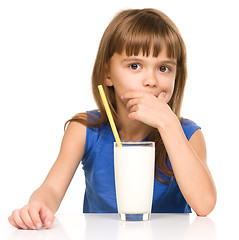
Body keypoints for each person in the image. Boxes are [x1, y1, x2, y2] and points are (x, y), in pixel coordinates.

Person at [8, 8, 217, 230]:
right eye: (135, 66)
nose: (151, 80)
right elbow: (51, 188)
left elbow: (204, 205)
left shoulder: (187, 134)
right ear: (108, 74)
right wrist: (37, 206)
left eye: (163, 68)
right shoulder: (85, 130)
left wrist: (168, 124)